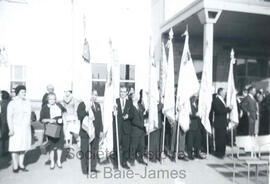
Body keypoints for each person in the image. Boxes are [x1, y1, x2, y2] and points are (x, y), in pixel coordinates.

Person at [77, 90, 103, 174]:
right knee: (85, 151)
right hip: (86, 132)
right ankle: (85, 169)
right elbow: (79, 116)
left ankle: (92, 167)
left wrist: (101, 130)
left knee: (94, 151)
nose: (94, 96)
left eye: (96, 95)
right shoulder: (83, 104)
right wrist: (86, 111)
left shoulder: (98, 105)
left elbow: (100, 119)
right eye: (92, 94)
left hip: (95, 132)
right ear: (89, 95)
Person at [7, 85, 32, 173]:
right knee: (15, 147)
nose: (24, 93)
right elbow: (9, 117)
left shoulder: (27, 102)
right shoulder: (12, 103)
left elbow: (29, 115)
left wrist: (28, 125)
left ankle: (21, 164)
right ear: (17, 92)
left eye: (25, 92)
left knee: (23, 147)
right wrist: (11, 129)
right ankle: (15, 165)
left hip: (25, 128)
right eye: (22, 92)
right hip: (16, 128)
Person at [40, 92, 66, 170]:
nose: (52, 100)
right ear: (47, 99)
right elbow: (42, 119)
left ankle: (58, 161)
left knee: (60, 145)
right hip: (50, 127)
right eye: (50, 99)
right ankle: (52, 162)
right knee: (51, 146)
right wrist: (49, 120)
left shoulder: (58, 105)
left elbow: (65, 112)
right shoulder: (45, 107)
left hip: (60, 127)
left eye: (54, 99)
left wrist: (63, 117)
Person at [113, 86, 133, 169]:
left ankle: (124, 162)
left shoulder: (129, 102)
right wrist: (113, 113)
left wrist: (128, 116)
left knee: (125, 146)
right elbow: (110, 112)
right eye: (121, 91)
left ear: (126, 93)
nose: (122, 93)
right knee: (117, 145)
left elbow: (132, 114)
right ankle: (117, 163)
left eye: (124, 92)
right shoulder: (115, 101)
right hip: (118, 127)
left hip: (126, 128)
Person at [212, 88, 232, 158]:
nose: (225, 93)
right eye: (223, 92)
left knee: (223, 138)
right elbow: (219, 111)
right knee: (219, 138)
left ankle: (222, 152)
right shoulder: (216, 100)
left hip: (223, 122)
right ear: (220, 92)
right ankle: (219, 153)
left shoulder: (223, 100)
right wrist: (228, 109)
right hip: (219, 122)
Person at [129, 93, 147, 166]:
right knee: (133, 146)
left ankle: (141, 158)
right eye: (134, 97)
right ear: (132, 98)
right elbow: (132, 119)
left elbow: (143, 115)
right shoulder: (130, 106)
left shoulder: (140, 105)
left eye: (137, 96)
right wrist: (142, 125)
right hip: (135, 129)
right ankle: (132, 159)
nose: (136, 98)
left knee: (142, 145)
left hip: (141, 130)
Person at [187, 94, 205, 160]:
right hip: (192, 125)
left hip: (198, 125)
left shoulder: (197, 104)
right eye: (195, 97)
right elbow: (189, 114)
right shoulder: (189, 105)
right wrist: (196, 115)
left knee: (198, 140)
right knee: (190, 141)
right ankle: (190, 154)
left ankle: (197, 153)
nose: (196, 98)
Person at [0, 90, 11, 156]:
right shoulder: (9, 102)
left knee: (4, 136)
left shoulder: (1, 103)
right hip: (8, 121)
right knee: (8, 135)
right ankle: (7, 149)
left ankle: (3, 150)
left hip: (3, 121)